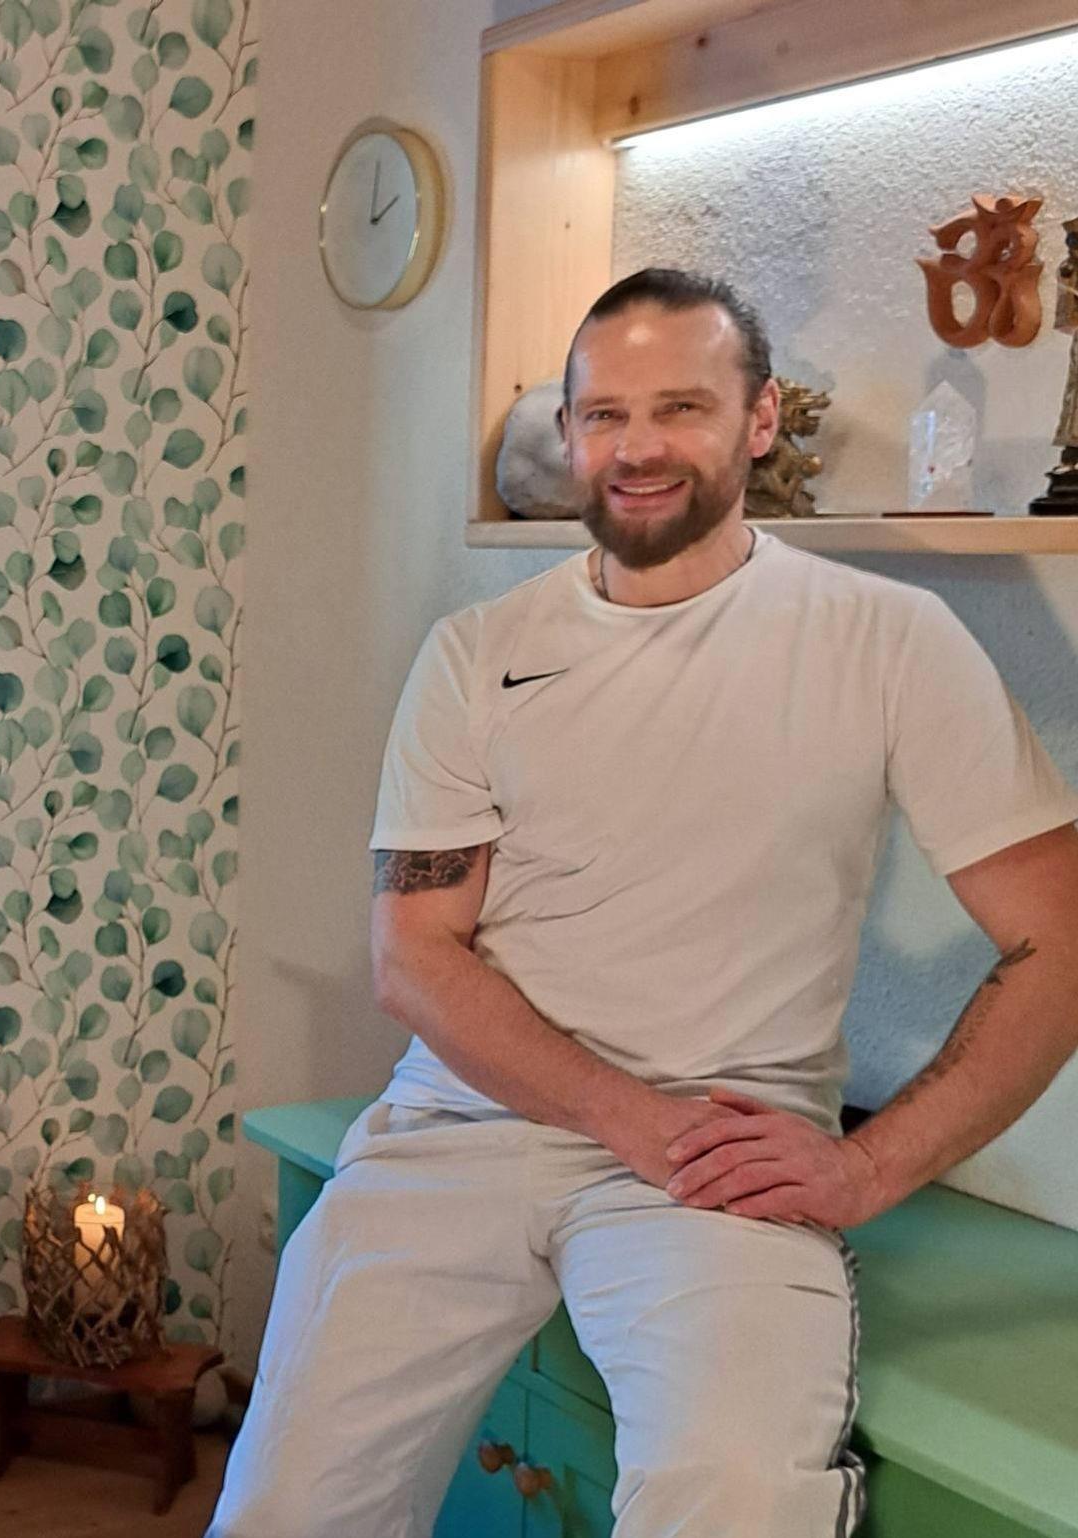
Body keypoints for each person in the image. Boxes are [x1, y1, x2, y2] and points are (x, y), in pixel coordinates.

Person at [207, 268, 1078, 1538]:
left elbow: (1055, 936)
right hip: (459, 1130)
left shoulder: (889, 640)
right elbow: (415, 957)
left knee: (730, 1499)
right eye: (603, 414)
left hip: (721, 1161)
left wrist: (865, 1165)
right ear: (567, 434)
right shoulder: (475, 656)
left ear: (759, 418)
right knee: (284, 1504)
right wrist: (626, 1114)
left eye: (679, 406)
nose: (636, 447)